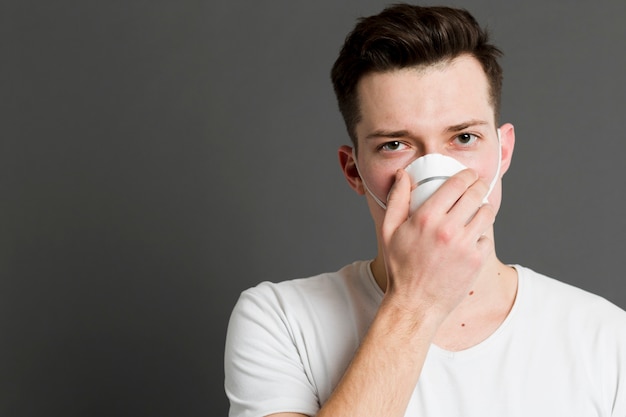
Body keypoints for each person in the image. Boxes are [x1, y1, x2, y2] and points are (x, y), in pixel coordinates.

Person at [224, 4, 626, 417]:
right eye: (395, 145)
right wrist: (416, 301)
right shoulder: (281, 321)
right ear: (354, 170)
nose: (437, 172)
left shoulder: (607, 340)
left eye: (464, 137)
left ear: (503, 152)